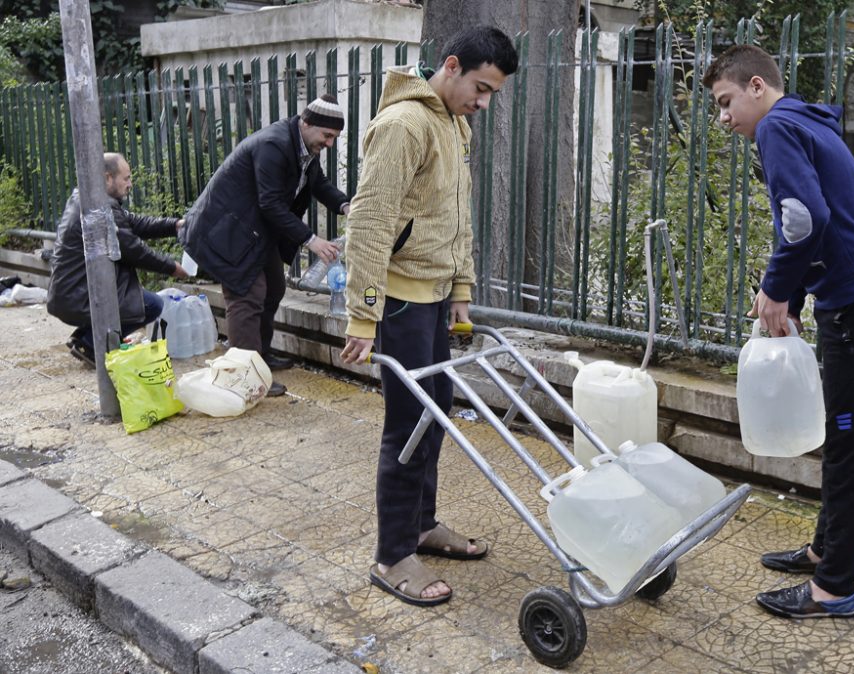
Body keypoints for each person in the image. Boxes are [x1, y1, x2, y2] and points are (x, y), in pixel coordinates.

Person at [703, 45, 854, 619]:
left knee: (846, 444)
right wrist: (789, 295)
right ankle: (824, 549)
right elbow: (819, 219)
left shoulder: (776, 130)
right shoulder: (803, 123)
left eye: (726, 102)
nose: (723, 118)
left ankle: (834, 588)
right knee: (843, 437)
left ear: (758, 87)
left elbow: (804, 218)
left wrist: (774, 288)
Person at [339, 26, 519, 606]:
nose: (484, 103)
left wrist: (460, 286)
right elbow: (368, 221)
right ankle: (392, 555)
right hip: (398, 299)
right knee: (409, 421)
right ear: (450, 65)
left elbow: (455, 214)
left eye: (493, 93)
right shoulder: (403, 126)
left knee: (436, 410)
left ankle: (421, 525)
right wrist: (363, 315)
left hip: (435, 294)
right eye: (481, 87)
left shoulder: (452, 123)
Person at [181, 94, 348, 397]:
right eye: (327, 135)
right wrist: (311, 240)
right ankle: (245, 375)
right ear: (306, 123)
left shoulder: (305, 146)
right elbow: (270, 203)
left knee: (274, 287)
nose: (329, 143)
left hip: (255, 231)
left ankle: (259, 356)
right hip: (229, 229)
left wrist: (346, 205)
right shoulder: (274, 144)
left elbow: (318, 184)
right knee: (247, 294)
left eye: (334, 137)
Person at [47, 153, 189, 368]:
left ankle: (86, 337)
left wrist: (174, 225)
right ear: (107, 178)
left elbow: (132, 223)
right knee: (151, 304)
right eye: (126, 178)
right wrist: (172, 268)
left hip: (68, 295)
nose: (130, 184)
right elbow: (131, 249)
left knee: (137, 297)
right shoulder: (99, 206)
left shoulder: (87, 199)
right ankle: (91, 344)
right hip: (79, 298)